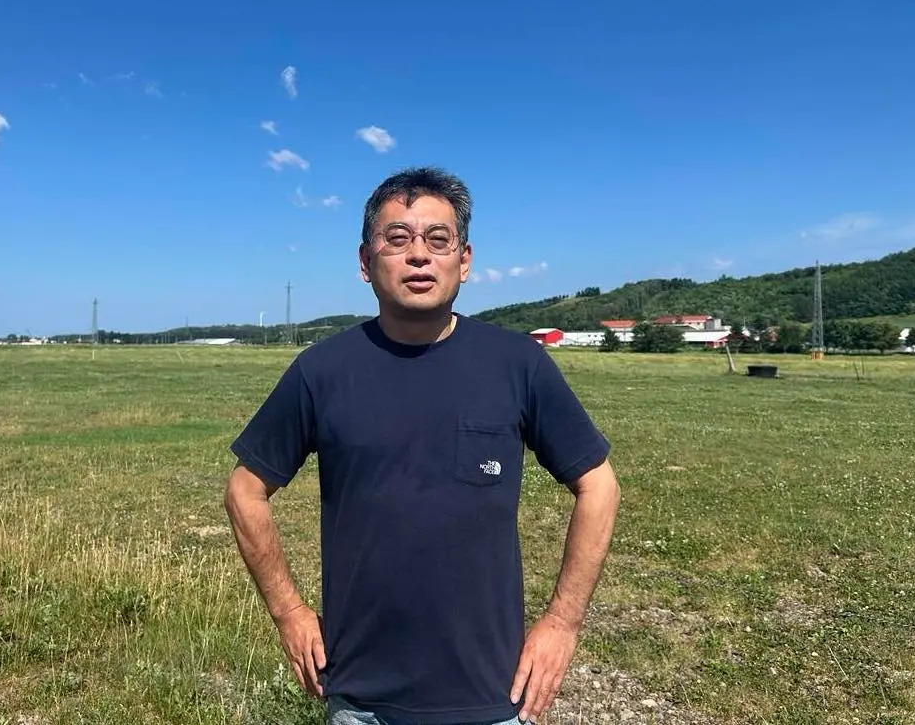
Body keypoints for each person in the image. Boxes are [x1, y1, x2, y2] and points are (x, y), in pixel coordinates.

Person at [224, 166, 621, 725]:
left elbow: (598, 485)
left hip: (493, 694)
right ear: (366, 262)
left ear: (465, 260)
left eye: (438, 239)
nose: (418, 255)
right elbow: (245, 491)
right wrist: (289, 612)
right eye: (397, 238)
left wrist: (562, 621)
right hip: (362, 698)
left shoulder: (518, 365)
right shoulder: (321, 371)